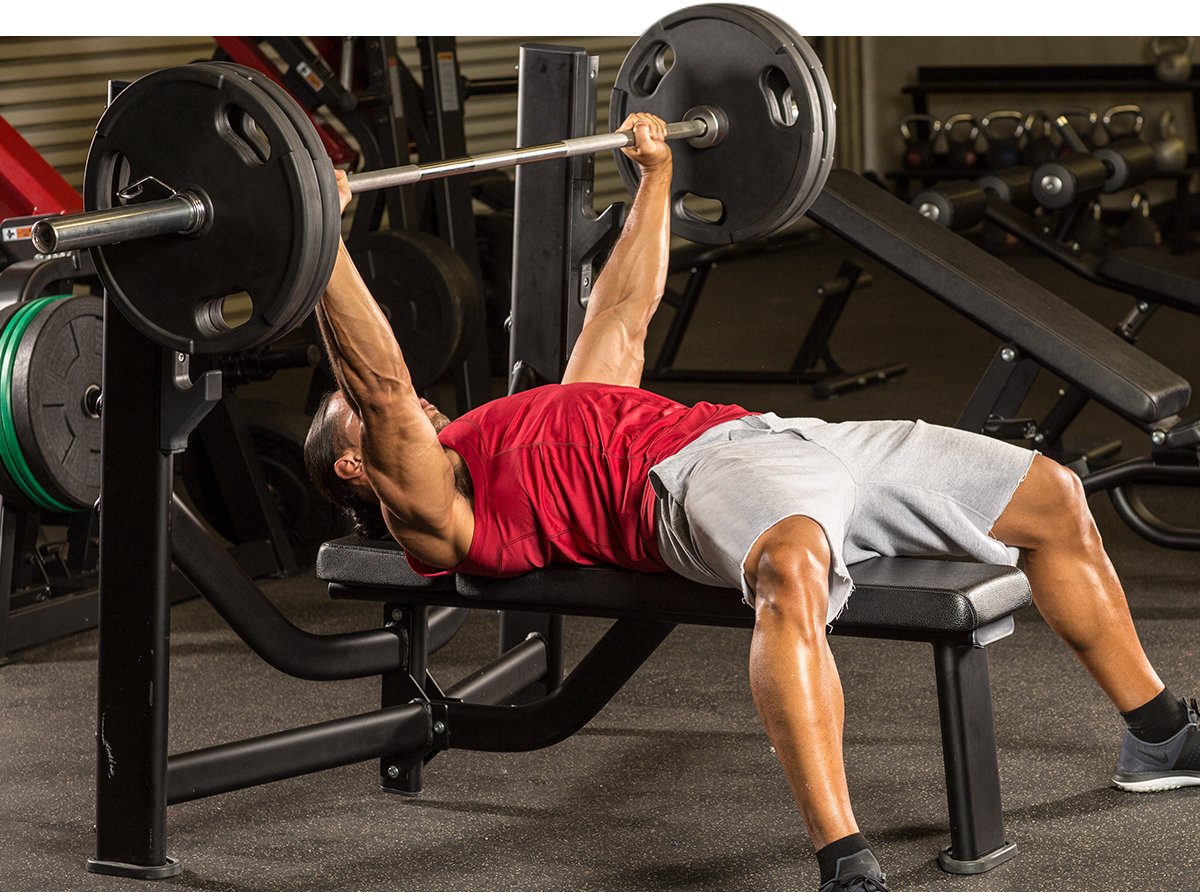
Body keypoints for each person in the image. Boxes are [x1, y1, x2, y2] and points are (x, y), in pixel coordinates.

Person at [304, 114, 1199, 892]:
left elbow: (623, 314)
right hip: (694, 484)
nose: (416, 408)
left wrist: (657, 177)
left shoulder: (514, 422)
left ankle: (1157, 733)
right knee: (793, 570)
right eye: (368, 426)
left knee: (1050, 496)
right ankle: (845, 859)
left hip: (783, 438)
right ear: (357, 467)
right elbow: (379, 384)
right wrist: (325, 243)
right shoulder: (428, 503)